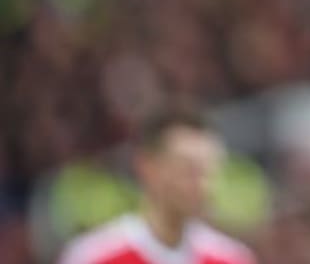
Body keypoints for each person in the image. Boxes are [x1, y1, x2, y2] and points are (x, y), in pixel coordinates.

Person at [58, 107, 256, 264]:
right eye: (187, 169)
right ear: (147, 167)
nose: (202, 183)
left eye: (208, 170)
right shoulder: (94, 256)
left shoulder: (232, 258)